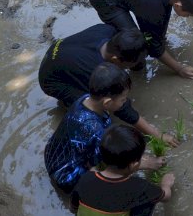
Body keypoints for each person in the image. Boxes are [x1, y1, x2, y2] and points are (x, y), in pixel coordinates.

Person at [38, 25, 179, 147]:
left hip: (60, 54)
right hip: (51, 81)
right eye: (128, 66)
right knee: (94, 104)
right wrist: (156, 134)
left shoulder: (106, 30)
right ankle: (69, 104)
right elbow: (123, 109)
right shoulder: (96, 71)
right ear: (115, 59)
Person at [44, 64, 165, 192]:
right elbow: (110, 164)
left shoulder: (85, 99)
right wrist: (142, 163)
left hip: (54, 155)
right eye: (123, 99)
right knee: (113, 175)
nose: (125, 102)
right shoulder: (93, 129)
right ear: (107, 102)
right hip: (67, 176)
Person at [71, 125, 175, 216]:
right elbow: (166, 197)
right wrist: (166, 184)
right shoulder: (140, 187)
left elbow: (73, 208)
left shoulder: (86, 178)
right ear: (133, 164)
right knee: (148, 200)